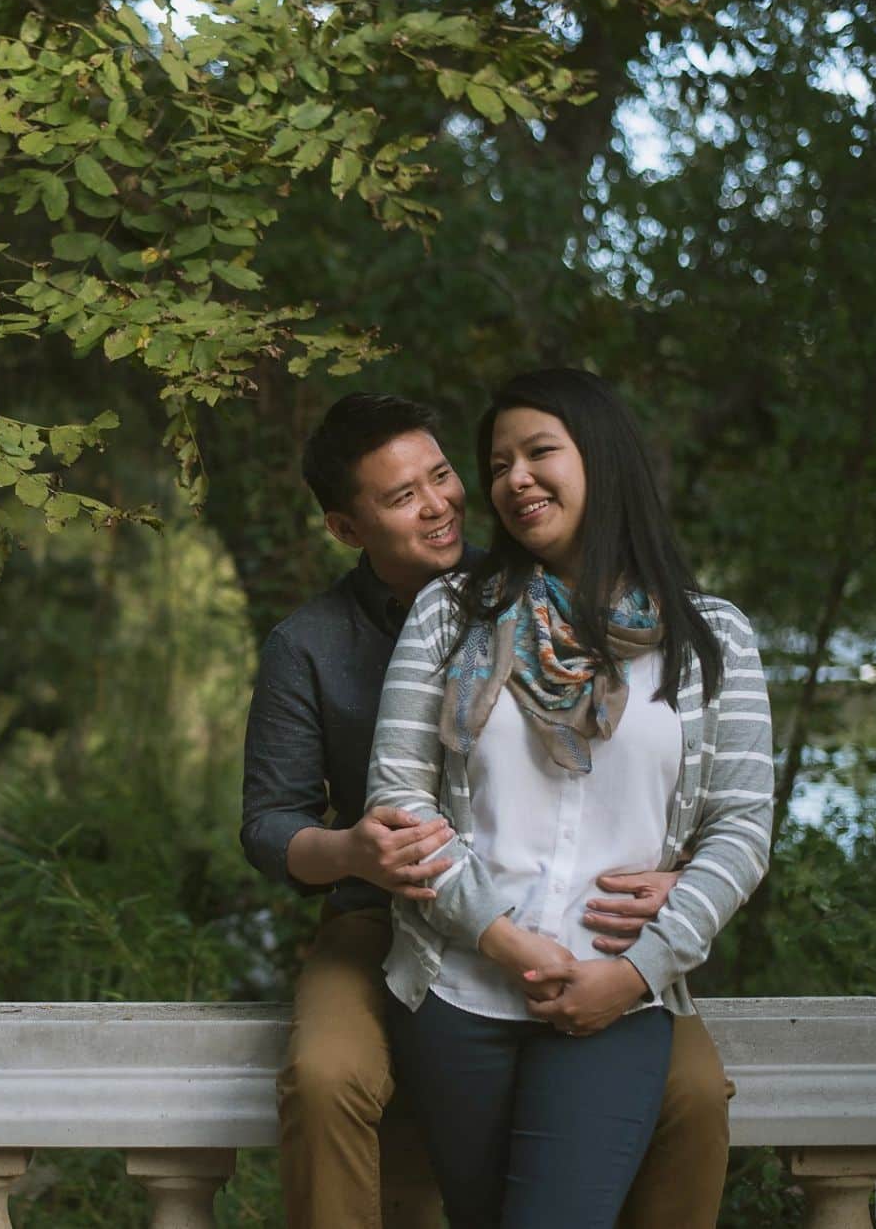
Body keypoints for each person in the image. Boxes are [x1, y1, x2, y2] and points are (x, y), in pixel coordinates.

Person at [240, 390, 736, 1229]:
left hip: (583, 920)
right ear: (346, 528)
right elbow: (268, 824)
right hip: (383, 916)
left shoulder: (530, 585)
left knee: (692, 1093)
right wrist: (353, 851)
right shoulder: (310, 644)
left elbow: (652, 782)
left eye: (442, 477)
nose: (438, 505)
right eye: (401, 497)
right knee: (327, 1076)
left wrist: (680, 875)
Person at [364, 370, 773, 1228]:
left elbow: (740, 829)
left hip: (616, 1000)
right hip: (461, 989)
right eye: (498, 462)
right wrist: (507, 943)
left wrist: (636, 971)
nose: (513, 478)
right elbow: (403, 803)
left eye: (539, 451)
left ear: (604, 459)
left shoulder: (712, 635)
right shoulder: (450, 614)